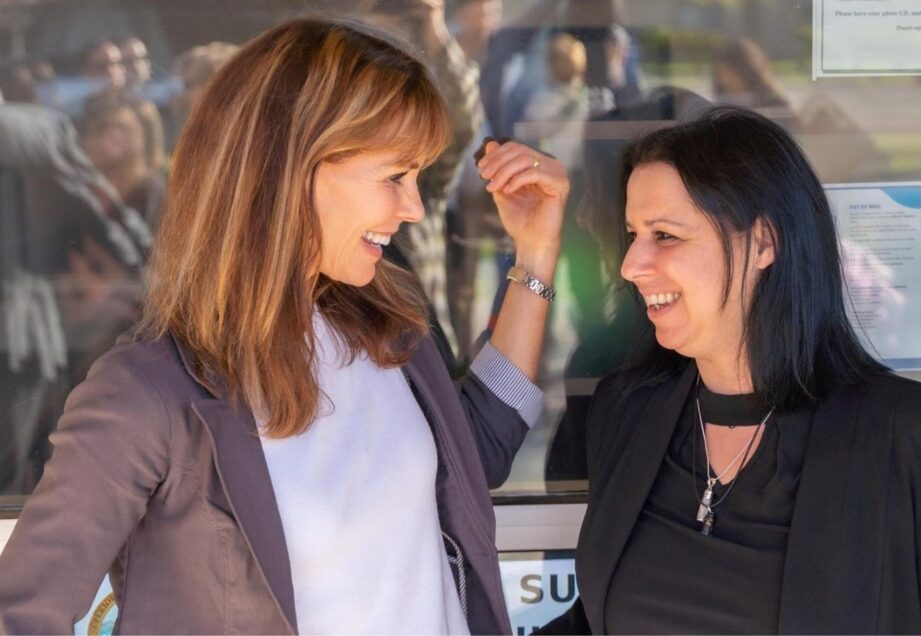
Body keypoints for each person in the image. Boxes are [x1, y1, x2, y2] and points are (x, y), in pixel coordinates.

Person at [0, 17, 568, 635]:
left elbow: (473, 453)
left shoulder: (389, 331)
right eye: (394, 176)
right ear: (295, 168)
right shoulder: (148, 392)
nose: (412, 208)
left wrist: (534, 258)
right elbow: (23, 614)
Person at [543, 107, 921, 634]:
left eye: (665, 235)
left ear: (764, 243)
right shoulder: (626, 411)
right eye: (633, 233)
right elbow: (594, 622)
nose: (631, 264)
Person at [79, 86, 167, 228]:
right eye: (87, 131)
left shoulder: (161, 199)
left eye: (102, 127)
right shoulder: (84, 199)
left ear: (138, 132)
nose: (91, 141)